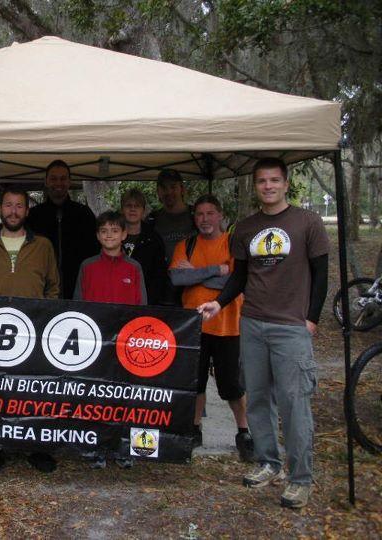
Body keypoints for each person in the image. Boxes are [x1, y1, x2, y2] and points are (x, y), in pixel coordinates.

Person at [197, 158, 329, 509]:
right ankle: (268, 462)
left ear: (286, 183)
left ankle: (300, 478)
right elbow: (239, 277)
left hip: (291, 326)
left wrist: (311, 318)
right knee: (257, 399)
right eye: (261, 181)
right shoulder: (246, 228)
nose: (268, 186)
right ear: (255, 186)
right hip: (252, 323)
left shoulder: (308, 222)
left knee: (294, 403)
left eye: (274, 180)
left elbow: (321, 275)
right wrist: (218, 304)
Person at [0, 187, 60, 476]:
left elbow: (54, 288)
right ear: (1, 210)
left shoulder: (43, 245)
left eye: (19, 206)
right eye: (8, 205)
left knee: (31, 389)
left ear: (27, 210)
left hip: (32, 333)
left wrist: (42, 317)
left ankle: (35, 446)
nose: (13, 211)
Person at [168, 195, 253, 461]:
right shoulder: (187, 244)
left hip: (228, 325)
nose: (205, 219)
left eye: (210, 213)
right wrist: (216, 270)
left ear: (220, 215)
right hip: (194, 325)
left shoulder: (232, 243)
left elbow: (236, 282)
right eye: (200, 214)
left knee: (231, 385)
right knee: (196, 381)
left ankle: (243, 431)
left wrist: (198, 273)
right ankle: (195, 429)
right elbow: (177, 277)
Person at [74, 210, 145, 469]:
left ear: (124, 234)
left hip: (126, 345)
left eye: (115, 230)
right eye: (104, 231)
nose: (109, 235)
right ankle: (97, 447)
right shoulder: (87, 266)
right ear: (97, 235)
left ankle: (123, 447)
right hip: (96, 344)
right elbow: (78, 307)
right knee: (96, 395)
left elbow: (142, 308)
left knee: (126, 396)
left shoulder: (134, 268)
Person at [27, 160, 98, 299]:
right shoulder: (33, 216)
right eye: (53, 179)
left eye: (63, 179)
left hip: (78, 292)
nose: (58, 183)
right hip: (41, 293)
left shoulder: (84, 214)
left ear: (69, 182)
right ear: (46, 181)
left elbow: (94, 255)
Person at [120, 188, 174, 305]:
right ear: (122, 209)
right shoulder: (112, 236)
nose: (132, 209)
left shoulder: (153, 238)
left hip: (146, 301)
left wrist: (150, 302)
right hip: (116, 297)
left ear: (143, 210)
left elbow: (159, 276)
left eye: (137, 206)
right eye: (128, 205)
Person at [148, 169, 195, 263]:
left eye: (173, 187)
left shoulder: (197, 214)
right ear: (158, 191)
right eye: (164, 188)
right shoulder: (152, 219)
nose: (169, 192)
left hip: (195, 275)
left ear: (182, 189)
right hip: (162, 276)